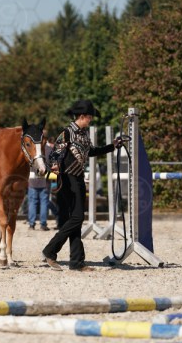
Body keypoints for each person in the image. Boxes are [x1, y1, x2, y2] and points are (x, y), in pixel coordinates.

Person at [42, 99, 116, 271]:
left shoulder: (83, 134)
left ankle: (76, 262)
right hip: (67, 180)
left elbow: (92, 151)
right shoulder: (67, 132)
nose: (91, 120)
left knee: (75, 220)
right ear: (82, 116)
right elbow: (54, 154)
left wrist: (112, 146)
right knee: (77, 218)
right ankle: (50, 250)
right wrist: (54, 165)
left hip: (79, 179)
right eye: (89, 117)